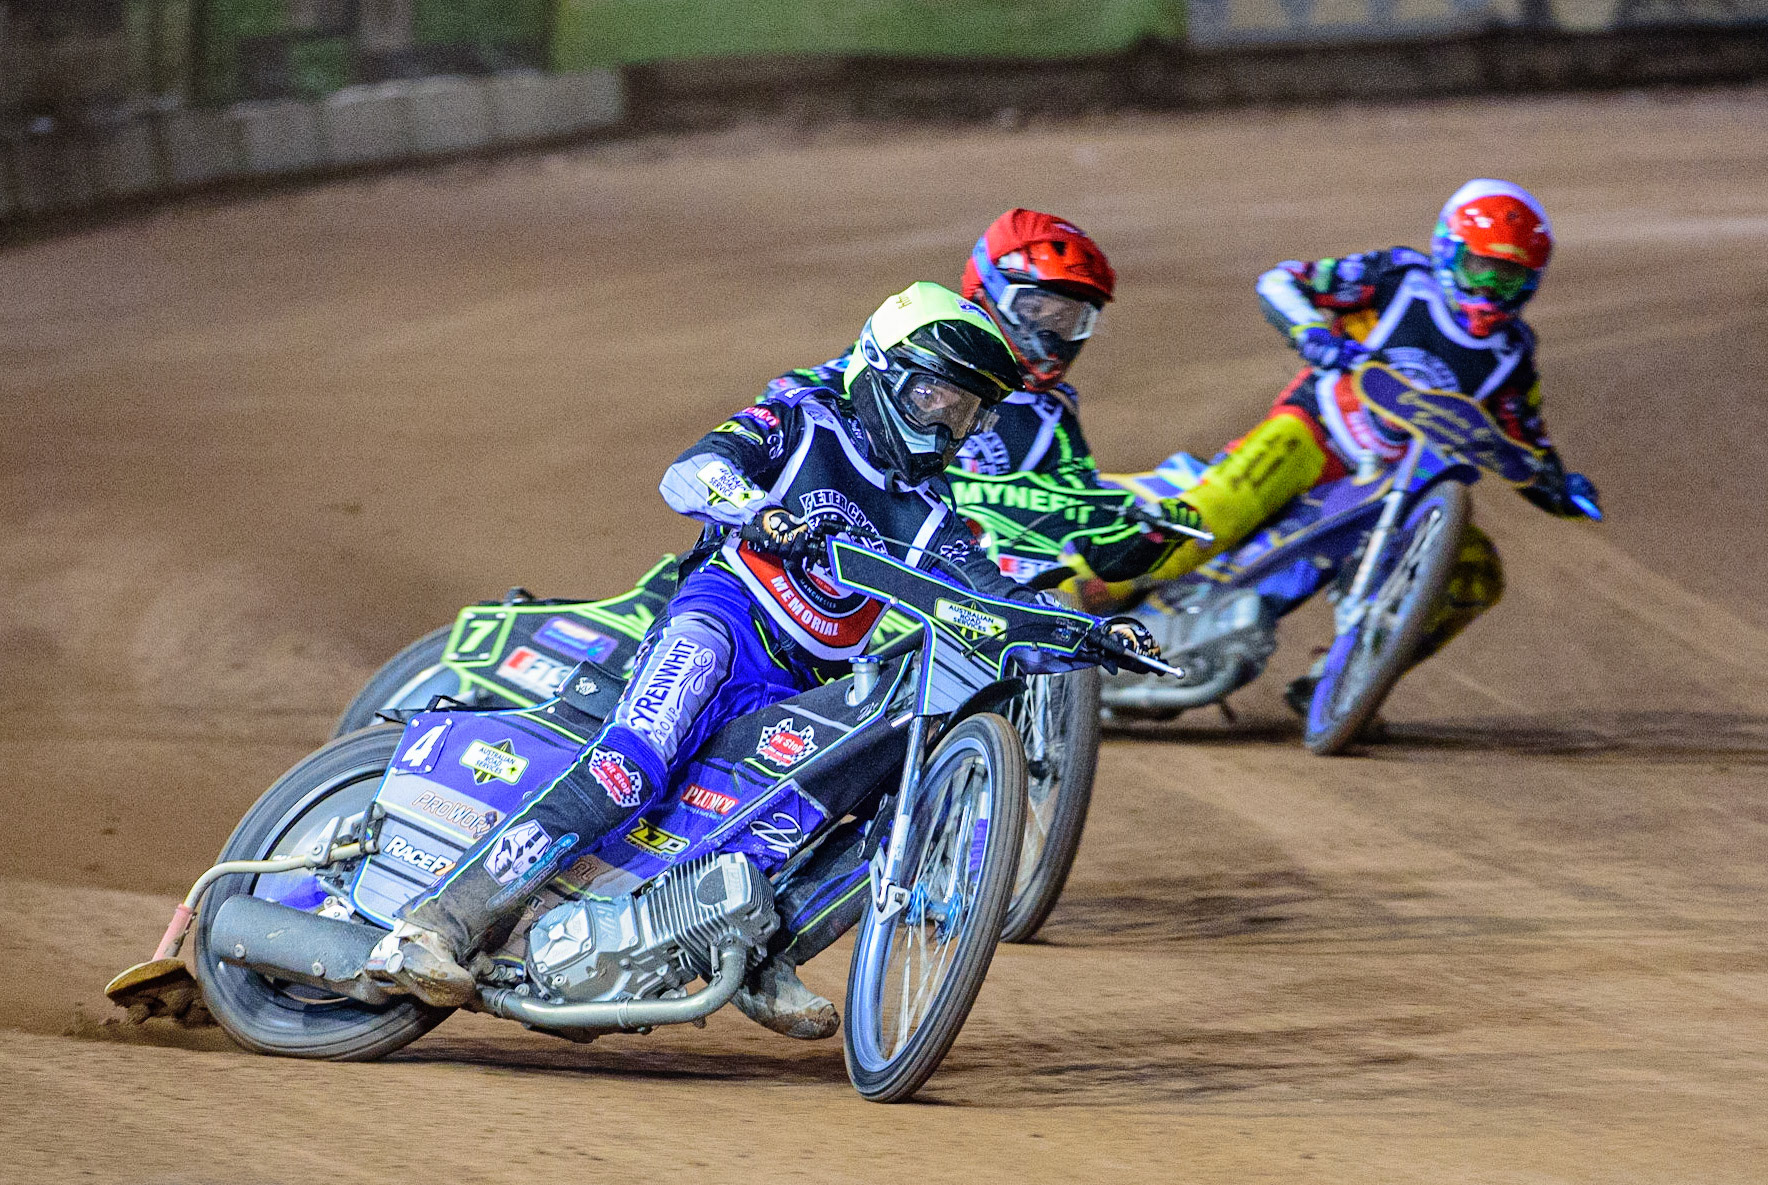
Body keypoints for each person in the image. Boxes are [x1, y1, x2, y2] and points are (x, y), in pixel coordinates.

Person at [369, 282, 1157, 1035]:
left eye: (965, 413)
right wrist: (759, 513)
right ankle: (437, 923)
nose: (945, 427)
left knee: (853, 815)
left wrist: (1093, 634)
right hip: (722, 621)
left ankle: (762, 958)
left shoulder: (928, 513)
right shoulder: (801, 417)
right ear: (883, 370)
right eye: (934, 399)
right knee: (629, 769)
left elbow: (995, 596)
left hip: (800, 684)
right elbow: (690, 472)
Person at [1068, 179, 1601, 710]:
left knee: (1476, 576)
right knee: (1211, 517)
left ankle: (1343, 680)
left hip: (1405, 487)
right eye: (1481, 268)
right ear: (1448, 251)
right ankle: (1084, 587)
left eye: (1509, 277)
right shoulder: (1398, 279)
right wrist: (1310, 333)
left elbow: (1523, 439)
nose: (1491, 289)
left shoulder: (1513, 356)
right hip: (1315, 432)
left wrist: (1560, 485)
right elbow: (1284, 280)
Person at [766, 208, 1199, 584]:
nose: (1050, 336)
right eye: (1035, 311)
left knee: (1061, 596)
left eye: (1068, 321)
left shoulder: (1051, 418)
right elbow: (789, 394)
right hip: (851, 552)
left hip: (979, 592)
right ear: (989, 289)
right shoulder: (921, 346)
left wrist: (1147, 535)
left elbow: (1087, 523)